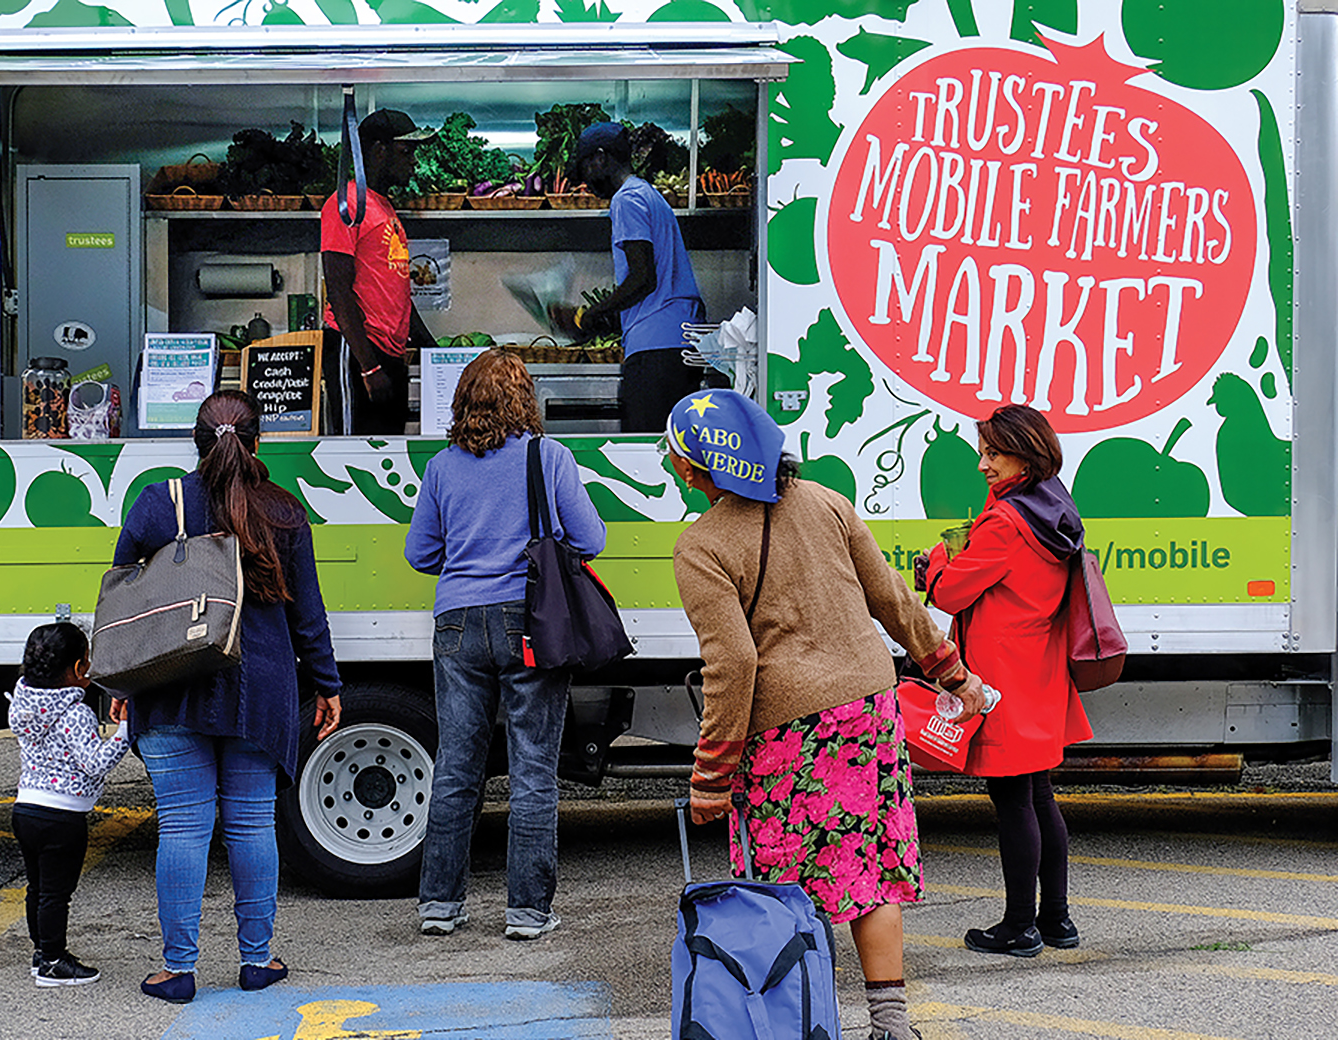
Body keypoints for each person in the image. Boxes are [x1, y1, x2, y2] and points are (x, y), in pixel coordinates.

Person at [668, 388, 985, 1040]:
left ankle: (798, 1019)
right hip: (870, 712)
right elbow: (894, 600)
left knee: (784, 889)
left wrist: (711, 775)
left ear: (697, 468)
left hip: (789, 732)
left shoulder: (702, 546)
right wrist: (952, 672)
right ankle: (891, 1025)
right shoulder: (828, 503)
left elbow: (734, 664)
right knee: (870, 872)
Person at [109, 390, 343, 1004]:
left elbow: (123, 599)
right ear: (258, 442)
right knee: (251, 823)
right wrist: (327, 684)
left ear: (194, 443)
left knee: (184, 827)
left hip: (169, 684)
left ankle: (178, 969)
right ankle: (257, 960)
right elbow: (308, 615)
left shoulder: (158, 503)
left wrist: (119, 683)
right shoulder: (283, 512)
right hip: (258, 690)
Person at [404, 349, 606, 940]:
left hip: (457, 623)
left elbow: (420, 554)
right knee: (533, 768)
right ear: (525, 400)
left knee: (456, 766)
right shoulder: (549, 457)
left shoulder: (442, 467)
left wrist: (467, 557)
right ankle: (527, 912)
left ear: (463, 401)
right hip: (530, 620)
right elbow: (590, 539)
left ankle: (440, 905)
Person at [921, 403, 1094, 958]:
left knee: (1013, 800)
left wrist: (936, 561)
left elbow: (951, 593)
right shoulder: (1054, 507)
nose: (983, 465)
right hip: (1040, 668)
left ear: (1025, 456)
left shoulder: (1004, 523)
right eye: (983, 452)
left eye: (993, 454)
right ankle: (1056, 919)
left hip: (1000, 676)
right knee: (1039, 795)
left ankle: (1020, 925)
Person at [553, 122, 707, 433]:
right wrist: (605, 321)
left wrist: (588, 314)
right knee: (672, 446)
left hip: (655, 352)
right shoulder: (648, 194)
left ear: (600, 158)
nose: (586, 181)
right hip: (680, 345)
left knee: (645, 447)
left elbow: (642, 278)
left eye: (585, 168)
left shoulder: (626, 200)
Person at [8, 621, 129, 988]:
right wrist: (125, 730)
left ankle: (41, 953)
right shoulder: (74, 713)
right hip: (62, 816)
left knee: (37, 888)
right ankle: (53, 962)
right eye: (87, 660)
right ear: (78, 669)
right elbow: (95, 762)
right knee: (56, 894)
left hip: (25, 809)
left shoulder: (24, 705)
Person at [321, 109, 438, 436]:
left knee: (391, 452)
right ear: (378, 151)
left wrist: (433, 350)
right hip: (358, 354)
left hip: (390, 356)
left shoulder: (384, 208)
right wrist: (369, 367)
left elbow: (397, 293)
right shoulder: (346, 205)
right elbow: (338, 291)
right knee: (355, 452)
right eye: (406, 152)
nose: (413, 162)